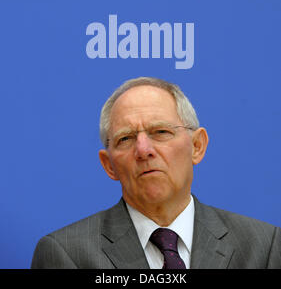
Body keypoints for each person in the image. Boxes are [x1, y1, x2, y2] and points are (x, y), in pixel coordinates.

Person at [31, 77, 281, 269]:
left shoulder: (264, 246)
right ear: (109, 165)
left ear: (197, 146)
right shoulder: (67, 254)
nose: (143, 150)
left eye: (161, 132)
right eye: (126, 138)